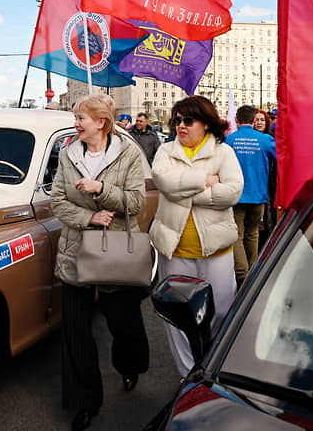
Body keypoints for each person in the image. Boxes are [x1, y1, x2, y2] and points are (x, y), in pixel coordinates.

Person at [51, 93, 149, 431]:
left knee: (124, 324)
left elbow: (135, 202)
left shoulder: (129, 152)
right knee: (75, 332)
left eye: (80, 118)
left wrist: (102, 188)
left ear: (101, 122)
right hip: (76, 250)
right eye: (76, 117)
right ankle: (84, 401)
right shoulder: (68, 154)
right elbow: (58, 201)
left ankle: (130, 365)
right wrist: (88, 218)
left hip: (116, 251)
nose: (75, 123)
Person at [149, 95, 243, 376]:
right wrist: (204, 181)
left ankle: (213, 368)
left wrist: (185, 194)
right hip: (175, 252)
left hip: (216, 253)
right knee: (178, 319)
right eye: (177, 120)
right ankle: (188, 376)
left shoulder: (223, 153)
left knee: (221, 313)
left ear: (206, 123)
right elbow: (163, 182)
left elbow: (232, 192)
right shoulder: (166, 151)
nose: (181, 125)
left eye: (188, 120)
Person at [227, 105, 276, 288]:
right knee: (253, 233)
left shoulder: (228, 140)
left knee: (237, 235)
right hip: (258, 195)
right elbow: (281, 158)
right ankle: (252, 271)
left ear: (237, 120)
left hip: (236, 196)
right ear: (254, 120)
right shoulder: (265, 139)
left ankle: (242, 274)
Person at [254, 109, 278, 249]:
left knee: (269, 217)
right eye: (256, 120)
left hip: (269, 183)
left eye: (262, 120)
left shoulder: (270, 139)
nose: (259, 122)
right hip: (256, 183)